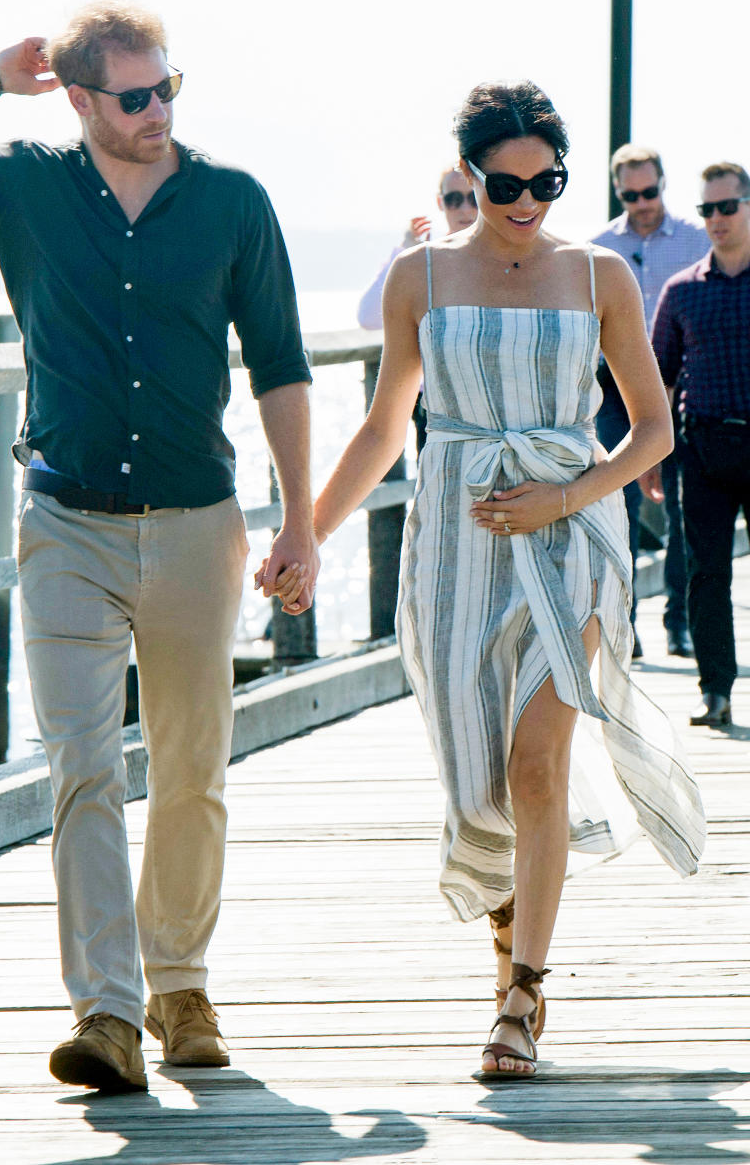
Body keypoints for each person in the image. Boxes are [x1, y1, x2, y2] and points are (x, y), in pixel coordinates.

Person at [0, 1, 319, 1092]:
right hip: (64, 527)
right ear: (79, 97)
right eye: (135, 95)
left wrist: (299, 520)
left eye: (169, 87)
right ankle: (105, 1010)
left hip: (199, 525)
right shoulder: (26, 181)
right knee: (85, 769)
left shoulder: (234, 201)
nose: (160, 110)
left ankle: (180, 981)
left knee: (194, 764)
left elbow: (282, 365)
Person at [289, 82, 705, 1078]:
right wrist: (306, 532)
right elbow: (388, 427)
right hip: (455, 545)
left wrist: (565, 501)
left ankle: (522, 996)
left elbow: (654, 426)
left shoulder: (599, 273)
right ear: (471, 175)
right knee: (480, 779)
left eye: (549, 181)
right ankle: (511, 915)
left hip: (574, 536)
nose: (528, 201)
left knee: (536, 761)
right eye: (509, 182)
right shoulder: (417, 278)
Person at [592, 145, 709, 659]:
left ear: (664, 182)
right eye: (630, 194)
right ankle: (626, 622)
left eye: (649, 191)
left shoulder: (698, 239)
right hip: (615, 388)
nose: (641, 203)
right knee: (620, 501)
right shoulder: (597, 248)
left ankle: (680, 621)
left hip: (683, 384)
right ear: (618, 192)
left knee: (684, 506)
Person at [651, 161, 750, 729]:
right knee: (705, 574)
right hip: (703, 448)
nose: (715, 219)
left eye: (726, 207)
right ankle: (716, 691)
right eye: (707, 209)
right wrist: (653, 457)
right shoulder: (682, 290)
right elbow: (659, 377)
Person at [357, 168, 478, 453]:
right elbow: (368, 316)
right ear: (440, 203)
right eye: (453, 199)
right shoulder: (422, 260)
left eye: (473, 197)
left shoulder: (505, 257)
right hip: (434, 406)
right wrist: (406, 249)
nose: (465, 208)